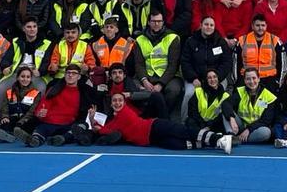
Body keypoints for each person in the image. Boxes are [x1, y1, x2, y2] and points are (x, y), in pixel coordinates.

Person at [92, 92, 234, 153]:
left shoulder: (125, 112)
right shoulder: (115, 121)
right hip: (152, 140)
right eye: (114, 101)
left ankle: (219, 139)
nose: (117, 103)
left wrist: (95, 124)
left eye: (120, 100)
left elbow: (105, 130)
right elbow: (107, 130)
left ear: (124, 102)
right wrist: (93, 121)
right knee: (177, 144)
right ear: (111, 104)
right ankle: (214, 142)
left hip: (155, 126)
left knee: (185, 132)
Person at [12, 64, 97, 147]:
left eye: (74, 73)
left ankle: (62, 139)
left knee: (81, 126)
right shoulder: (55, 89)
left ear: (79, 77)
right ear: (64, 75)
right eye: (68, 73)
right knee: (41, 129)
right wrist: (40, 113)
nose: (70, 75)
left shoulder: (83, 92)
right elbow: (43, 104)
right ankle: (35, 140)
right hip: (50, 122)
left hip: (68, 124)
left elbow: (85, 112)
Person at [181, 17, 234, 119]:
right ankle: (184, 122)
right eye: (206, 24)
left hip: (217, 78)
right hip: (196, 79)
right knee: (189, 94)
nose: (208, 27)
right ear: (201, 25)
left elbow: (226, 62)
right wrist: (193, 78)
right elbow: (185, 62)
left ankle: (217, 124)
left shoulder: (220, 42)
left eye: (211, 25)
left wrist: (217, 77)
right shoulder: (190, 41)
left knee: (221, 96)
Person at [135, 11, 184, 119]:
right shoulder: (140, 39)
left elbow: (173, 65)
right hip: (148, 75)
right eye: (153, 21)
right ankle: (144, 118)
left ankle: (161, 117)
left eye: (159, 21)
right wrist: (144, 80)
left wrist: (161, 84)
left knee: (173, 90)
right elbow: (139, 64)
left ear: (163, 22)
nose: (156, 24)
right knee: (135, 87)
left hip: (169, 76)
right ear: (148, 22)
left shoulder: (172, 37)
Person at [223, 68, 276, 144]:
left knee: (266, 132)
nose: (251, 82)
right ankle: (231, 136)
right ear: (244, 81)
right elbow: (226, 103)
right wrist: (231, 118)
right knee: (226, 112)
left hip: (254, 129)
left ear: (258, 79)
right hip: (240, 126)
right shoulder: (240, 92)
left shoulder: (268, 96)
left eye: (254, 78)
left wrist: (249, 129)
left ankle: (238, 140)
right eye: (248, 79)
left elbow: (266, 120)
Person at [0, 66, 43, 142]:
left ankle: (24, 135)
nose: (25, 79)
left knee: (34, 122)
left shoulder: (36, 93)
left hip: (26, 120)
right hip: (13, 119)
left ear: (31, 79)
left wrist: (20, 123)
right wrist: (4, 117)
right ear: (17, 78)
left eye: (28, 77)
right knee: (4, 124)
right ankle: (11, 134)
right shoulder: (9, 92)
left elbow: (31, 112)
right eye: (22, 76)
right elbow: (4, 107)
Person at [85, 17, 138, 88]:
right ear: (103, 30)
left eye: (111, 27)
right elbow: (94, 63)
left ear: (116, 30)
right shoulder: (95, 44)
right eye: (106, 27)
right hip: (102, 76)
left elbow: (131, 65)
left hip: (120, 77)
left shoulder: (127, 44)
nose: (108, 29)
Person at [236, 16, 283, 90]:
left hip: (269, 79)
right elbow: (236, 63)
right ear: (252, 26)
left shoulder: (275, 40)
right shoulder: (242, 40)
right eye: (257, 25)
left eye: (263, 25)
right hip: (247, 78)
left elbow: (282, 63)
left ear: (266, 26)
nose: (260, 28)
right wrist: (237, 79)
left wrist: (279, 81)